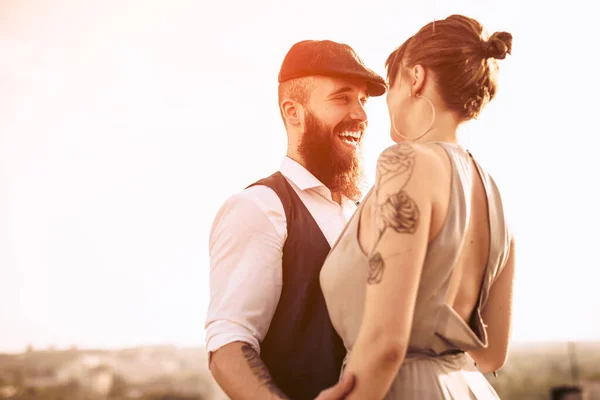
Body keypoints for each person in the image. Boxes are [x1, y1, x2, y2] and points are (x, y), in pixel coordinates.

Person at [320, 14, 516, 399]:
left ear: (415, 78)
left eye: (390, 87)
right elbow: (493, 354)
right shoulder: (494, 193)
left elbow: (384, 344)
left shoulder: (405, 164)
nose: (387, 103)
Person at [205, 39, 387, 400]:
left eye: (363, 101)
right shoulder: (260, 207)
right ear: (293, 112)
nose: (361, 115)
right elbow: (228, 346)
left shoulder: (363, 211)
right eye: (342, 98)